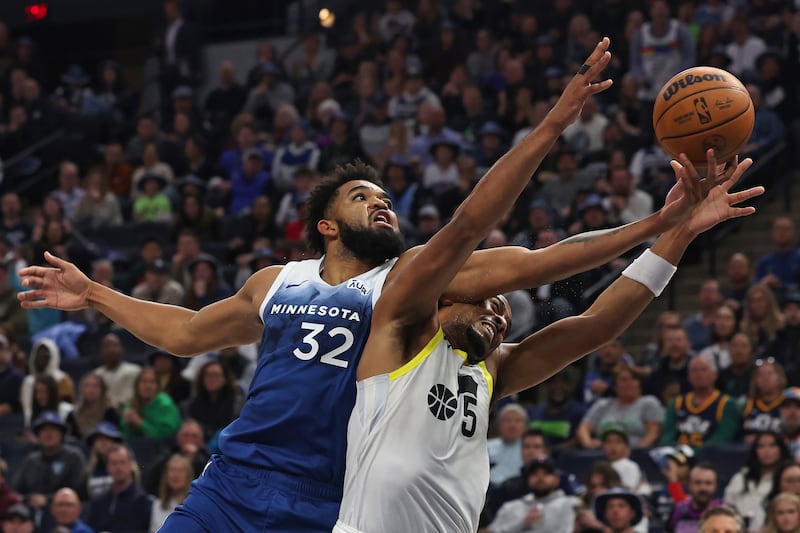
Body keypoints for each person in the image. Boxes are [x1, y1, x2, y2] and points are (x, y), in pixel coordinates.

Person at [17, 39, 759, 532]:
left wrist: (663, 226)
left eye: (386, 193)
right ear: (325, 225)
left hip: (327, 496)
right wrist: (96, 296)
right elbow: (181, 333)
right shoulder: (278, 280)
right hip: (236, 478)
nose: (382, 201)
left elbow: (545, 266)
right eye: (360, 196)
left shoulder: (410, 288)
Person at [333, 119, 761, 533]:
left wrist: (680, 232)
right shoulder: (401, 325)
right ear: (448, 296)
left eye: (504, 316)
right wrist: (559, 123)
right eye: (490, 304)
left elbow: (597, 325)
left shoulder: (492, 369)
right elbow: (468, 226)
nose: (500, 319)